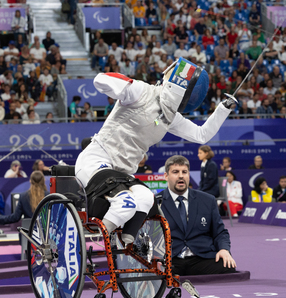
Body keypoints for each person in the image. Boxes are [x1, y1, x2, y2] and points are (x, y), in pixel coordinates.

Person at [75, 58, 236, 249]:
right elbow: (100, 80)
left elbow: (201, 135)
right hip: (97, 161)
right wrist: (122, 85)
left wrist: (223, 108)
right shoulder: (141, 92)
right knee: (125, 204)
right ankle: (94, 244)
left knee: (145, 198)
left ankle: (124, 245)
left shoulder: (170, 118)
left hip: (122, 175)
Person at [158, 155, 236, 276]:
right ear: (166, 176)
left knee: (227, 265)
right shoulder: (156, 203)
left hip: (202, 258)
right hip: (170, 260)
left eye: (184, 172)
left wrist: (224, 249)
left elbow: (220, 232)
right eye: (175, 172)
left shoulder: (207, 200)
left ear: (188, 175)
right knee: (152, 273)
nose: (181, 176)